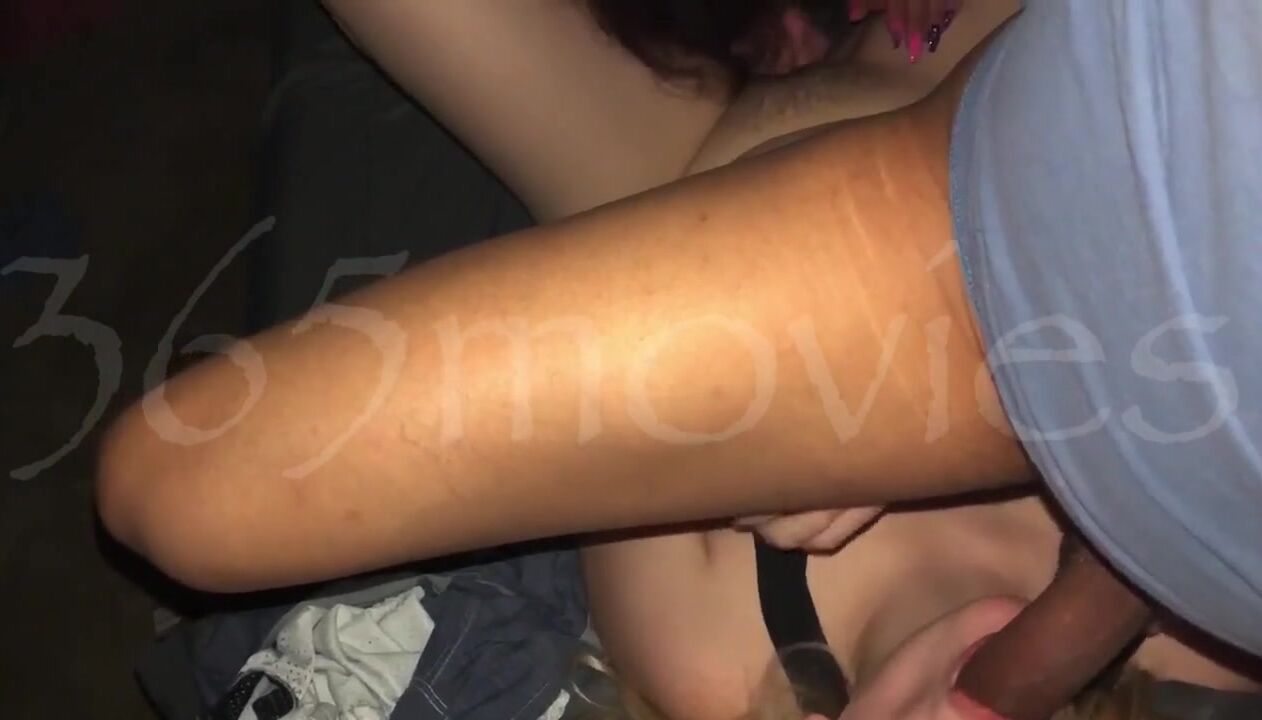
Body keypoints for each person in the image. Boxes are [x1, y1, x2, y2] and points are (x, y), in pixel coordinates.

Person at [96, 0, 1262, 715]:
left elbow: (189, 482)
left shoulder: (715, 663)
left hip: (680, 169)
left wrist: (827, 413)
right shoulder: (1213, 637)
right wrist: (1106, 546)